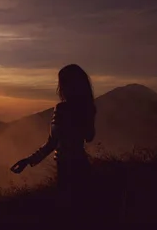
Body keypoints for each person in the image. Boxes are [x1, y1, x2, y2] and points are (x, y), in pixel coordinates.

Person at [11, 64, 97, 220]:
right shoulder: (83, 108)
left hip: (70, 168)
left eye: (62, 83)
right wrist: (29, 160)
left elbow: (52, 143)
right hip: (76, 166)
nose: (60, 89)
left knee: (70, 214)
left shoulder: (63, 109)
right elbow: (87, 137)